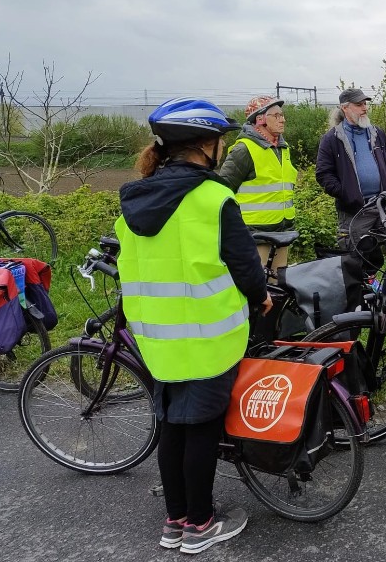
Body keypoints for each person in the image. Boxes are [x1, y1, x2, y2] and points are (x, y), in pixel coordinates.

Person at [115, 98, 272, 553]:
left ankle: (175, 522)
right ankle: (200, 527)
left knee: (172, 425)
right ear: (205, 146)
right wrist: (261, 298)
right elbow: (245, 266)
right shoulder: (213, 198)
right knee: (201, 427)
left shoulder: (133, 199)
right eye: (219, 141)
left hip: (157, 339)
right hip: (208, 337)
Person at [315, 87, 386, 269]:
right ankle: (366, 295)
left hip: (383, 204)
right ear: (345, 108)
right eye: (359, 105)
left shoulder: (377, 134)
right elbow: (323, 174)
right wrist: (347, 194)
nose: (364, 108)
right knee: (357, 258)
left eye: (365, 104)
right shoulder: (331, 139)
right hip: (355, 211)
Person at [218, 95, 297, 275]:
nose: (282, 119)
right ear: (260, 119)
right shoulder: (243, 149)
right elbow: (222, 190)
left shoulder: (283, 148)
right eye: (276, 115)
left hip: (282, 233)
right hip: (254, 236)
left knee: (279, 287)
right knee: (257, 290)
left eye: (282, 115)